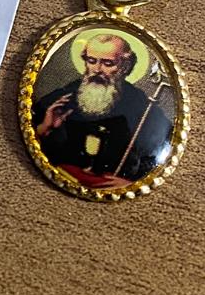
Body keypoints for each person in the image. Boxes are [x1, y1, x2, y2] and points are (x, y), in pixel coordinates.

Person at [32, 32, 171, 189]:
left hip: (109, 184)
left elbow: (157, 149)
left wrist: (132, 184)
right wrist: (45, 127)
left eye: (108, 63)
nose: (97, 69)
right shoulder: (65, 95)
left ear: (124, 67)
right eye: (91, 61)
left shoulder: (141, 105)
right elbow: (33, 134)